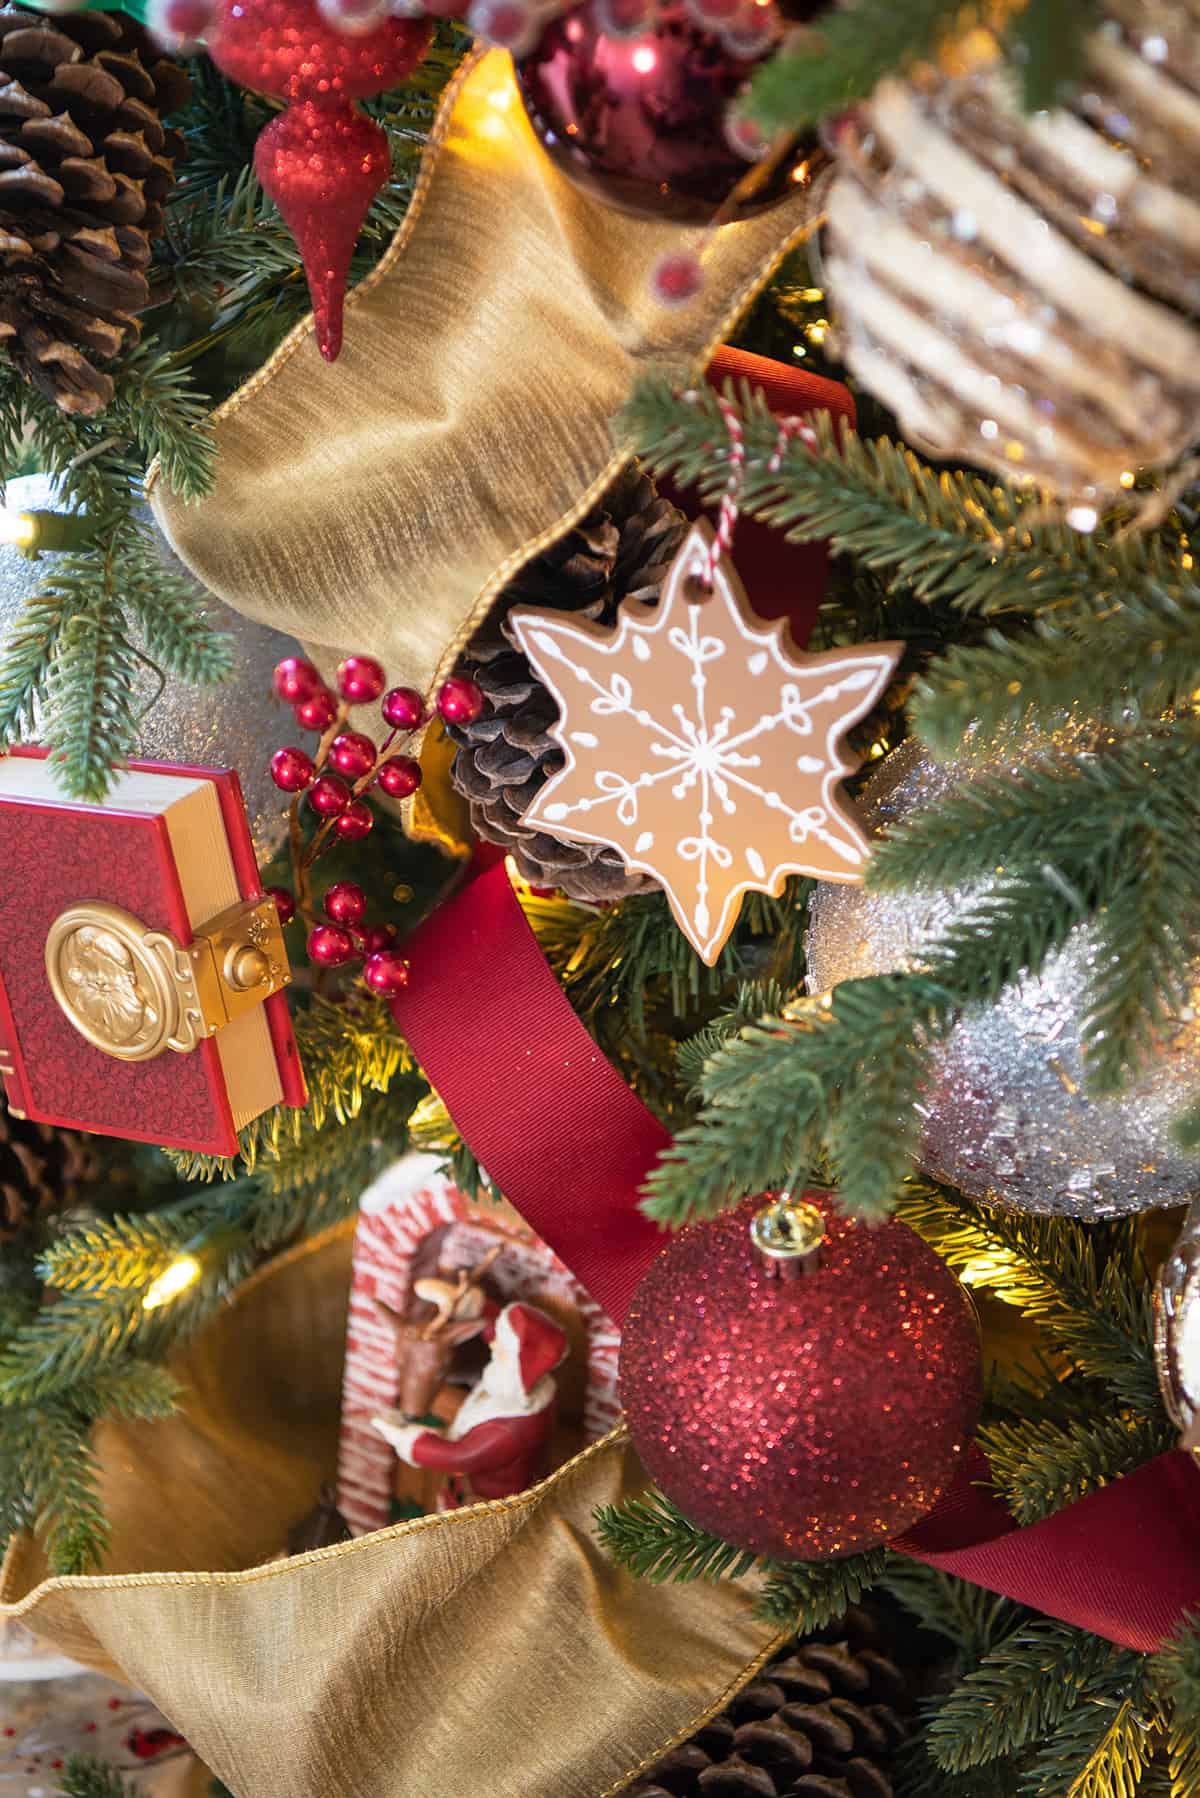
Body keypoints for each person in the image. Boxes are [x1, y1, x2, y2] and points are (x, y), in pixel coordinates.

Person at [372, 1301, 568, 1502]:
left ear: (518, 1358)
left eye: (501, 1344)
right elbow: (493, 1328)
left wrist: (406, 1439)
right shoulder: (508, 1383)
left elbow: (459, 1457)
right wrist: (477, 1303)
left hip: (488, 1507)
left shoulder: (509, 1429)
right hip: (464, 1489)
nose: (493, 1344)